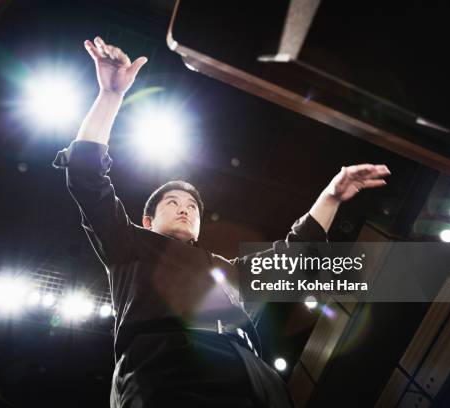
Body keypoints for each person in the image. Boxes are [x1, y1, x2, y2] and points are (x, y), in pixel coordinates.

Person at [53, 36, 390, 408]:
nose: (185, 209)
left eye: (193, 207)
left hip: (250, 374)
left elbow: (295, 252)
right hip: (165, 372)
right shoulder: (129, 245)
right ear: (147, 220)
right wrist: (111, 96)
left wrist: (332, 196)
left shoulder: (228, 272)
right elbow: (86, 177)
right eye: (172, 203)